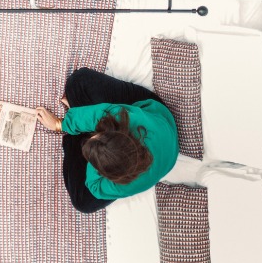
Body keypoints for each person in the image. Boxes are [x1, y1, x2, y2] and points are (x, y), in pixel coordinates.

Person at [36, 67, 179, 214]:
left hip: (158, 154)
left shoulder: (127, 185)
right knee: (79, 82)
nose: (94, 135)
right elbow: (100, 115)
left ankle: (78, 136)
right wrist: (60, 124)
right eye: (98, 134)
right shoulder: (128, 119)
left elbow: (94, 187)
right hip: (153, 113)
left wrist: (90, 144)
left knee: (82, 202)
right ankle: (81, 132)